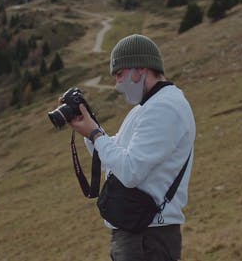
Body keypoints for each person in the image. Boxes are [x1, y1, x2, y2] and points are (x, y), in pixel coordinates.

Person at [69, 34, 196, 261]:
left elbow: (129, 172)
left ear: (140, 69)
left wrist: (95, 133)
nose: (117, 84)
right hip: (140, 231)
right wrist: (88, 131)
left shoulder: (164, 107)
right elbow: (114, 157)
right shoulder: (146, 108)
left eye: (119, 74)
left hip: (148, 237)